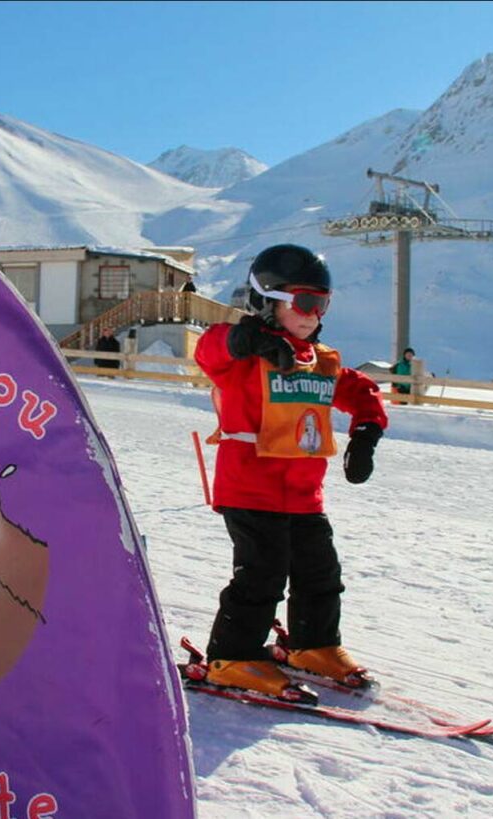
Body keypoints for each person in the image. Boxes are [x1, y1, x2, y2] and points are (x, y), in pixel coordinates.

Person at [195, 244, 388, 700]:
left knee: (320, 573)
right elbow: (209, 350)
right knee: (262, 574)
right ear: (267, 299)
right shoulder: (241, 353)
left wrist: (366, 432)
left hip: (303, 493)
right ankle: (232, 656)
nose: (312, 313)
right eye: (303, 301)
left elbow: (361, 391)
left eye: (321, 303)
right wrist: (245, 339)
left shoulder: (320, 360)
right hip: (249, 488)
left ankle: (312, 645)